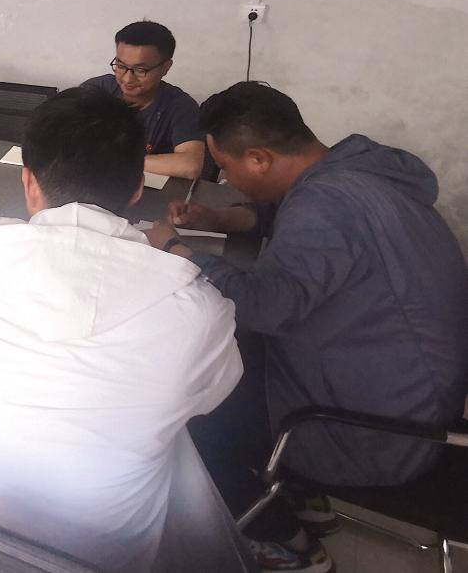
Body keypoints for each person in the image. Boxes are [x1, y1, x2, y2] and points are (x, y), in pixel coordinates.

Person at [147, 81, 468, 573]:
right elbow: (289, 212)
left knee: (184, 411)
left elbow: (265, 306)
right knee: (230, 357)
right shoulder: (354, 169)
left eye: (227, 168)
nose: (226, 179)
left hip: (376, 432)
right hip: (418, 393)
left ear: (259, 159)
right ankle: (301, 497)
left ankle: (285, 543)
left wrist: (177, 250)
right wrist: (220, 217)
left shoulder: (324, 209)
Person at [0, 86, 241, 572]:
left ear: (29, 181)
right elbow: (210, 399)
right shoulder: (197, 310)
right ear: (137, 188)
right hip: (106, 562)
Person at [83, 20, 204, 179]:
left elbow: (190, 165)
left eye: (140, 70)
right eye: (121, 66)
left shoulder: (180, 106)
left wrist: (116, 161)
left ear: (166, 67)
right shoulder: (96, 90)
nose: (127, 78)